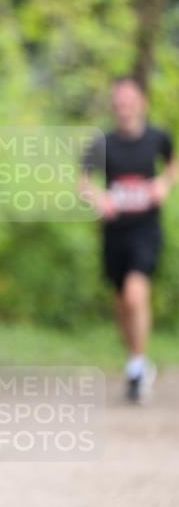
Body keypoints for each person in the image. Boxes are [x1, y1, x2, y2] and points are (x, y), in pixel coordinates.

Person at [80, 77, 176, 402]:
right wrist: (98, 199)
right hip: (114, 233)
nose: (124, 109)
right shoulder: (101, 143)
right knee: (121, 303)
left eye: (129, 102)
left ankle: (137, 365)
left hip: (146, 230)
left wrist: (164, 184)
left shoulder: (158, 138)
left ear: (141, 104)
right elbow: (84, 182)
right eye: (118, 103)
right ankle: (137, 361)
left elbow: (174, 164)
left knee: (136, 295)